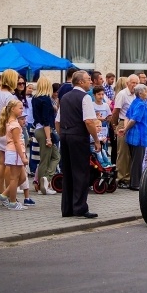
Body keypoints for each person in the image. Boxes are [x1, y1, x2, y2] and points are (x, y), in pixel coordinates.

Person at [56, 70, 101, 219]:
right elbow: (89, 121)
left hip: (65, 135)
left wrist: (62, 134)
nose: (91, 82)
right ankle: (80, 207)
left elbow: (58, 121)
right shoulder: (85, 97)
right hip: (78, 136)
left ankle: (67, 208)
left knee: (67, 171)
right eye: (88, 79)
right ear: (80, 82)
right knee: (81, 172)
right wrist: (96, 139)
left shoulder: (65, 97)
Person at [121, 84, 147, 190]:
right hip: (138, 136)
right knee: (137, 160)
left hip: (139, 135)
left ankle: (136, 181)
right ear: (140, 93)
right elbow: (133, 119)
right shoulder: (141, 104)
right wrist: (125, 129)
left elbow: (127, 116)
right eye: (146, 91)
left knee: (137, 159)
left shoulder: (141, 102)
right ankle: (135, 184)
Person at [0, 100, 28, 210]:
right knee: (14, 178)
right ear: (13, 109)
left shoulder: (12, 122)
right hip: (15, 152)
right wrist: (23, 157)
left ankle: (3, 195)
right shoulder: (14, 124)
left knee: (21, 177)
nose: (22, 110)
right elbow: (17, 142)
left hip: (13, 152)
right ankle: (13, 202)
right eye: (20, 108)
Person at [32, 76, 59, 195]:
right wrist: (48, 138)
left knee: (55, 156)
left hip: (38, 129)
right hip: (45, 130)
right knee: (46, 158)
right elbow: (46, 120)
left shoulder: (35, 98)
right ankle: (45, 184)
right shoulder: (46, 99)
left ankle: (45, 180)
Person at [0, 69, 18, 197]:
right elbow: (12, 114)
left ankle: (0, 189)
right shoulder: (9, 96)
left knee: (1, 162)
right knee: (10, 163)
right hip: (8, 130)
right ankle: (8, 193)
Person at [112, 74, 138, 187]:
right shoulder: (122, 94)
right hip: (123, 122)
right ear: (127, 83)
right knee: (123, 152)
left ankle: (129, 177)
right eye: (133, 83)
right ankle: (121, 177)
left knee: (132, 153)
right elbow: (115, 111)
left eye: (137, 83)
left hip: (135, 124)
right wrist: (115, 126)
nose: (135, 85)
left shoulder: (137, 95)